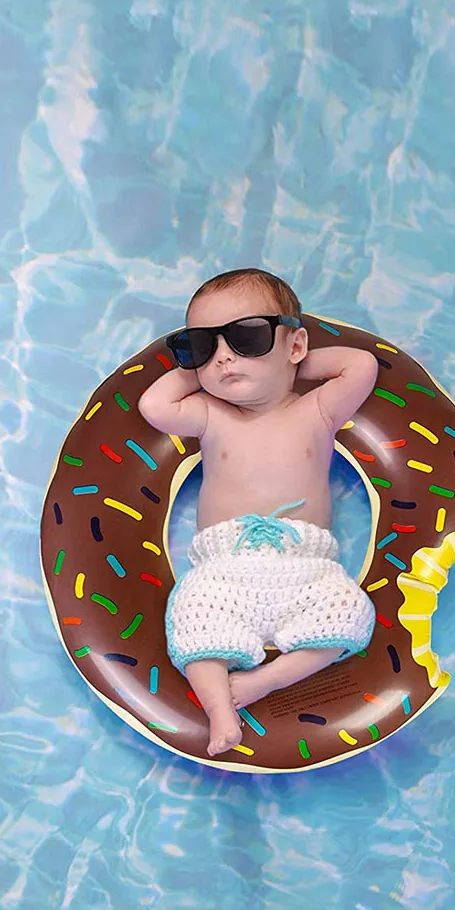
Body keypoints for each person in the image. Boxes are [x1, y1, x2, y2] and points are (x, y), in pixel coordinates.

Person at [139, 269, 379, 756]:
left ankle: (264, 682)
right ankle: (219, 708)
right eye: (202, 345)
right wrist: (206, 370)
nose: (224, 356)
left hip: (305, 565)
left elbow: (360, 365)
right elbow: (154, 404)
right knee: (191, 615)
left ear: (295, 346)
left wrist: (295, 365)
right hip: (225, 566)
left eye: (247, 337)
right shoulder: (211, 415)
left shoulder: (317, 410)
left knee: (350, 614)